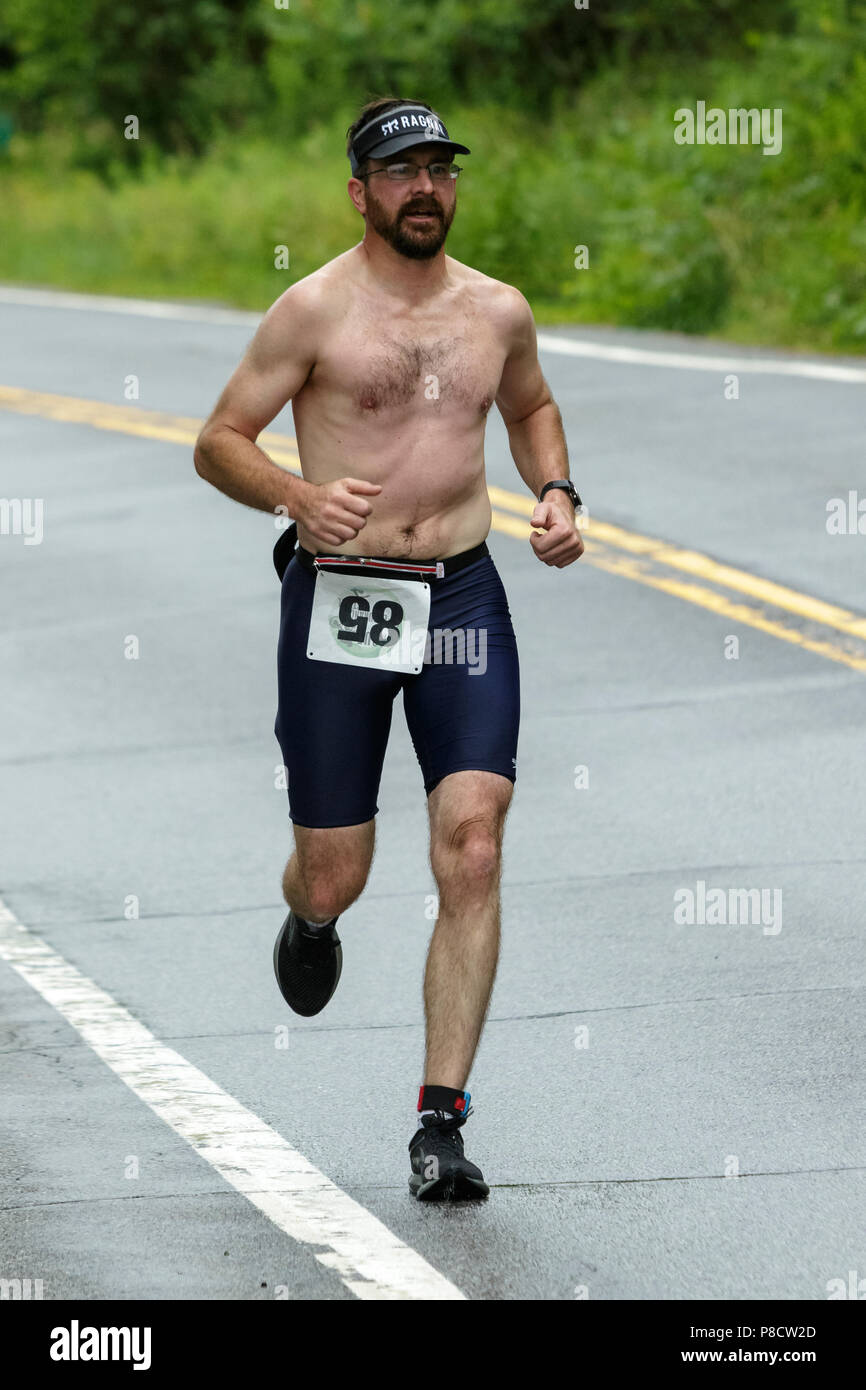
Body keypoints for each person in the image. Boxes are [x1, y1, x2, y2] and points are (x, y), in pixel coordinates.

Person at [194, 97, 584, 1202]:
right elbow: (218, 442)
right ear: (359, 190)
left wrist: (553, 490)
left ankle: (439, 1124)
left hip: (459, 591)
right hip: (342, 594)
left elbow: (531, 408)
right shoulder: (311, 311)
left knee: (472, 842)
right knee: (341, 865)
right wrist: (297, 497)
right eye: (400, 170)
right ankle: (311, 913)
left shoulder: (495, 311)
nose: (425, 187)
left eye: (439, 169)